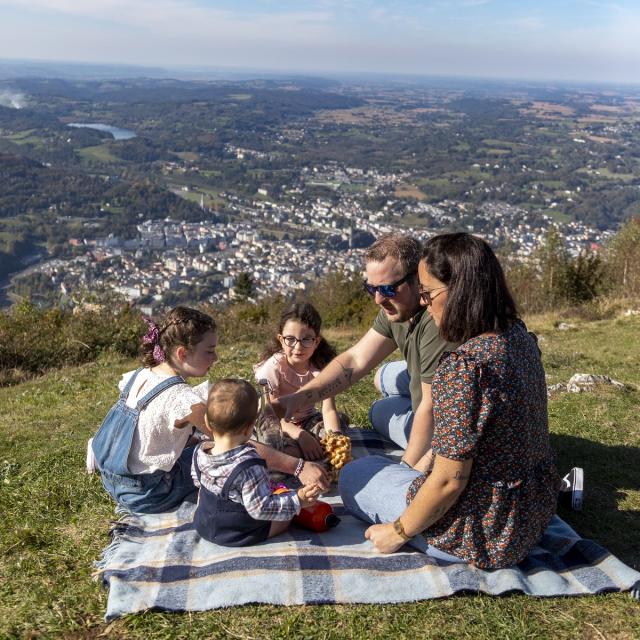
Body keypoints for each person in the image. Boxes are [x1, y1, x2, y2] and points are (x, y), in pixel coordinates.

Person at [339, 232, 563, 569]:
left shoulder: (465, 367)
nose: (425, 305)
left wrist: (397, 531)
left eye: (428, 294)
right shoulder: (519, 336)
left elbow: (448, 481)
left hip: (482, 534)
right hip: (531, 516)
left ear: (460, 292)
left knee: (357, 474)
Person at [90, 306, 329, 514]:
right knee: (217, 454)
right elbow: (232, 442)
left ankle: (95, 452)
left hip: (113, 480)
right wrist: (297, 467)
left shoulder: (141, 376)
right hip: (149, 493)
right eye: (209, 351)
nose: (215, 357)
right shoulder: (180, 400)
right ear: (182, 353)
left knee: (198, 440)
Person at [280, 233, 456, 469]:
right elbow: (356, 358)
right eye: (370, 288)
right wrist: (300, 397)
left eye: (388, 289)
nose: (378, 299)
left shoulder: (435, 323)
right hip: (422, 385)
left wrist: (405, 473)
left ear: (418, 279)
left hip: (437, 413)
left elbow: (431, 408)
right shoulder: (395, 310)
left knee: (378, 418)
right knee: (380, 386)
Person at [191, 379, 321, 546]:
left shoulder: (200, 450)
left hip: (204, 523)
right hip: (238, 532)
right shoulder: (250, 465)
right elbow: (261, 509)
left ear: (207, 422)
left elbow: (198, 482)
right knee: (286, 519)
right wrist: (298, 500)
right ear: (249, 428)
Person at [253, 302, 348, 462]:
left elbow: (328, 410)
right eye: (290, 339)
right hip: (276, 424)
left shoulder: (321, 370)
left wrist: (335, 441)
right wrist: (301, 436)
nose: (298, 347)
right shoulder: (272, 368)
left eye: (306, 340)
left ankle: (308, 451)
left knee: (336, 429)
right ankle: (301, 451)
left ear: (316, 342)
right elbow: (268, 416)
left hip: (308, 420)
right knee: (272, 444)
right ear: (281, 339)